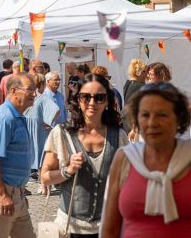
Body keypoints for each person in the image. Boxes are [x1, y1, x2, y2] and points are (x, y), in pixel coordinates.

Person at [41, 74, 127, 238]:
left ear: (108, 101)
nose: (92, 103)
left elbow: (127, 179)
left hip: (108, 226)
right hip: (70, 227)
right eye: (85, 97)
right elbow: (45, 176)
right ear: (77, 100)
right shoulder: (62, 133)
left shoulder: (119, 136)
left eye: (99, 97)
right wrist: (68, 170)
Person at [101, 83, 191, 237]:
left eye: (162, 114)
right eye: (145, 115)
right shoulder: (124, 158)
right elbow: (109, 229)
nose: (152, 123)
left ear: (179, 118)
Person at [0, 74, 37, 238]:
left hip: (16, 193)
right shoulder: (5, 118)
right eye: (30, 89)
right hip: (2, 192)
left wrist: (20, 191)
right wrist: (2, 195)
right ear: (13, 91)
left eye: (35, 89)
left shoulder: (17, 116)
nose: (34, 94)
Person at [24, 74, 59, 191]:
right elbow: (56, 110)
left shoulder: (29, 97)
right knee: (40, 157)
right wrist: (49, 122)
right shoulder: (42, 97)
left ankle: (41, 185)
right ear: (42, 84)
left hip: (32, 129)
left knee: (35, 156)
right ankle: (42, 185)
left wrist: (48, 122)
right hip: (37, 129)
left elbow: (56, 110)